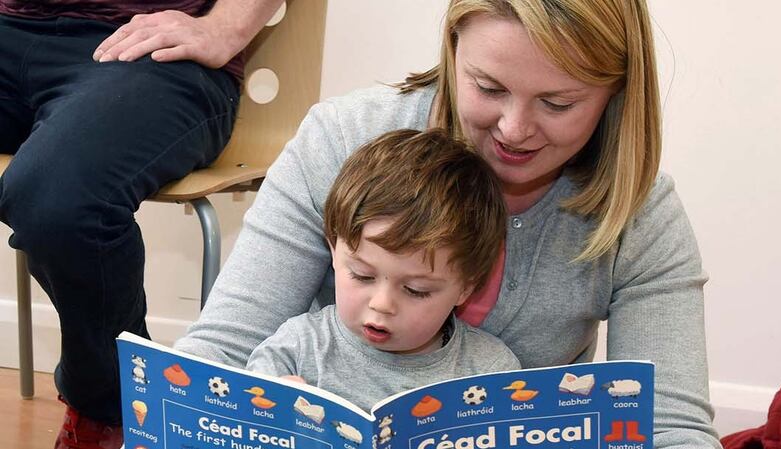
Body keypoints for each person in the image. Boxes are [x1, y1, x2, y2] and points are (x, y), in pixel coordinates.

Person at [176, 0, 721, 447]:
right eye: (487, 87)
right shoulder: (343, 139)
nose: (514, 128)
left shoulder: (641, 214)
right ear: (452, 50)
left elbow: (669, 426)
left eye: (557, 103)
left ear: (617, 94)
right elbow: (223, 350)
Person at [0, 1, 283, 448]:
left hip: (147, 50)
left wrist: (225, 28)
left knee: (59, 201)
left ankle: (114, 409)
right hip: (10, 26)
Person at [246, 128, 521, 412]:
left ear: (466, 287)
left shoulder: (491, 373)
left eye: (416, 290)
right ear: (334, 249)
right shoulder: (296, 348)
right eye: (362, 275)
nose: (382, 304)